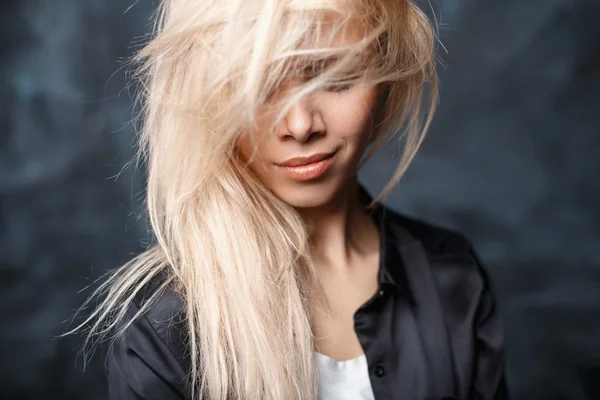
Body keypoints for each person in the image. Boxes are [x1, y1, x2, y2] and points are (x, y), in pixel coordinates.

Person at [70, 0, 508, 399]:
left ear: (385, 75)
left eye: (335, 79)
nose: (300, 125)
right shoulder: (163, 332)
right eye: (258, 87)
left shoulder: (453, 278)